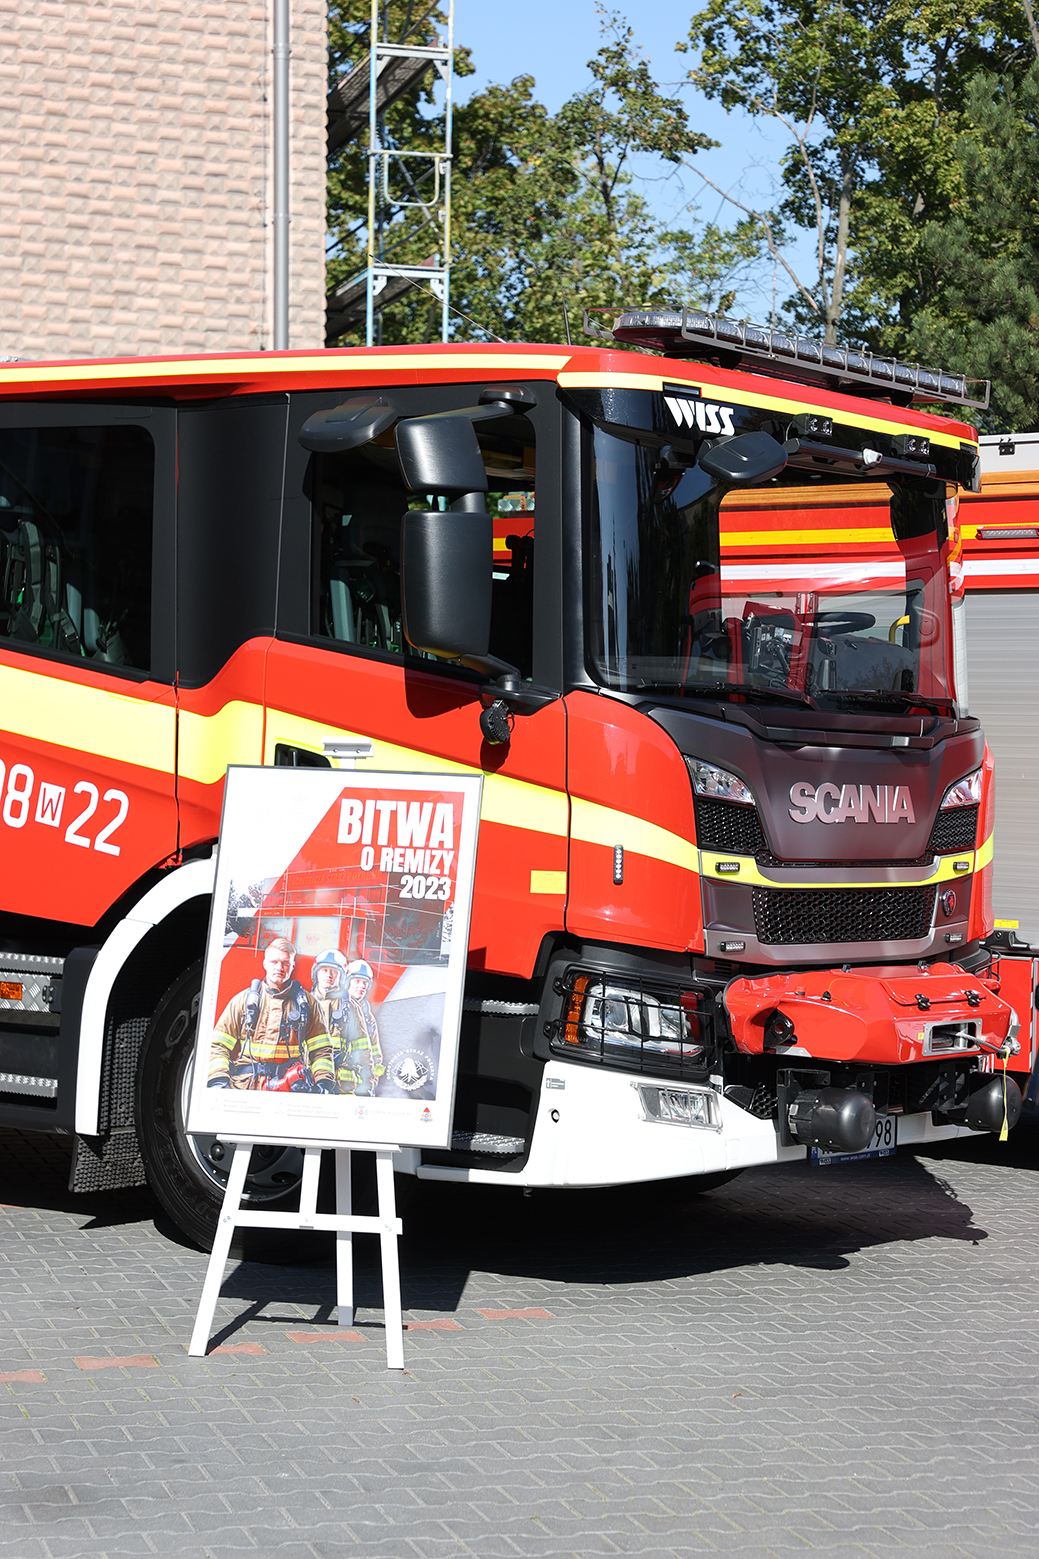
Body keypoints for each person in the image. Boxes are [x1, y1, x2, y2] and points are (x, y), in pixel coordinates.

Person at [208, 937, 334, 1091]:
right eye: (274, 962)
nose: (279, 967)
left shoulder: (308, 1004)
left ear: (293, 966)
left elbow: (322, 1050)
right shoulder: (243, 1001)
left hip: (289, 1087)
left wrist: (323, 1084)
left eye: (285, 963)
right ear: (265, 964)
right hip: (245, 1086)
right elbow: (218, 1045)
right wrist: (219, 1081)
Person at [327, 957, 385, 1096]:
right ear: (347, 982)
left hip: (357, 1087)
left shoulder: (368, 1017)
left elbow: (376, 1055)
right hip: (334, 1082)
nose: (362, 986)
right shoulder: (334, 1006)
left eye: (365, 982)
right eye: (357, 981)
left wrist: (371, 1082)